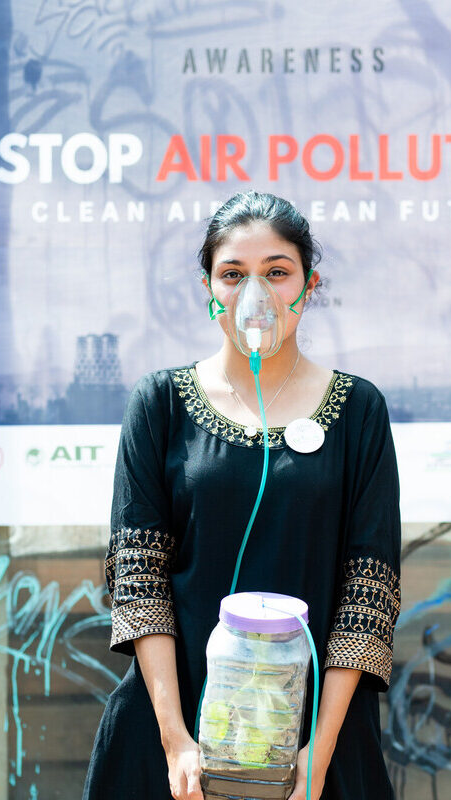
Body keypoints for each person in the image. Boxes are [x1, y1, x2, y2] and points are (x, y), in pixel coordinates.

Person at [83, 191, 401, 800]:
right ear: (209, 288)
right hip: (175, 743)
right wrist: (177, 741)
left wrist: (317, 755)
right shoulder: (161, 404)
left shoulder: (360, 411)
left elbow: (368, 593)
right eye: (233, 274)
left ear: (308, 287)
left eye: (277, 272)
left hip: (315, 745)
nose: (255, 294)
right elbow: (138, 582)